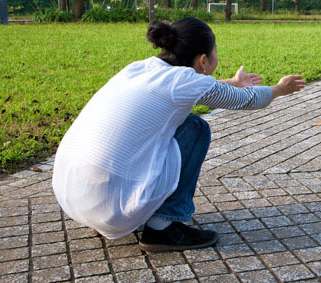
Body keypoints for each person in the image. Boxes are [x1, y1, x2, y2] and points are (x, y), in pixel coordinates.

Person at [52, 18, 305, 252]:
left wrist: (232, 83)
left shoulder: (140, 68)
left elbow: (198, 89)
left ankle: (129, 211)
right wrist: (279, 89)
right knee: (195, 128)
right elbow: (247, 100)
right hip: (112, 205)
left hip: (74, 197)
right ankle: (163, 227)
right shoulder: (184, 81)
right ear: (203, 60)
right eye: (216, 53)